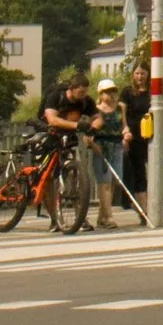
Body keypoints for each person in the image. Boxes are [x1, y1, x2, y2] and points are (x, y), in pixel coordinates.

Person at [39, 72, 96, 232]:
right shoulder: (56, 96)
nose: (83, 96)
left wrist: (94, 126)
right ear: (72, 89)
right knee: (48, 178)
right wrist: (78, 126)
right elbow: (52, 119)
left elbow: (97, 116)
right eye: (80, 92)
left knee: (74, 175)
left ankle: (80, 217)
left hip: (68, 138)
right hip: (48, 134)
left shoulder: (85, 101)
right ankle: (54, 219)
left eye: (85, 92)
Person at [89, 79, 129, 228]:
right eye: (107, 92)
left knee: (114, 182)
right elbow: (89, 131)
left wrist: (126, 134)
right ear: (100, 94)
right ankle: (109, 217)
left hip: (117, 146)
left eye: (113, 91)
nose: (111, 95)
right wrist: (92, 144)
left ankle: (101, 217)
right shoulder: (95, 109)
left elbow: (124, 126)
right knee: (104, 183)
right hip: (101, 146)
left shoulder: (120, 108)